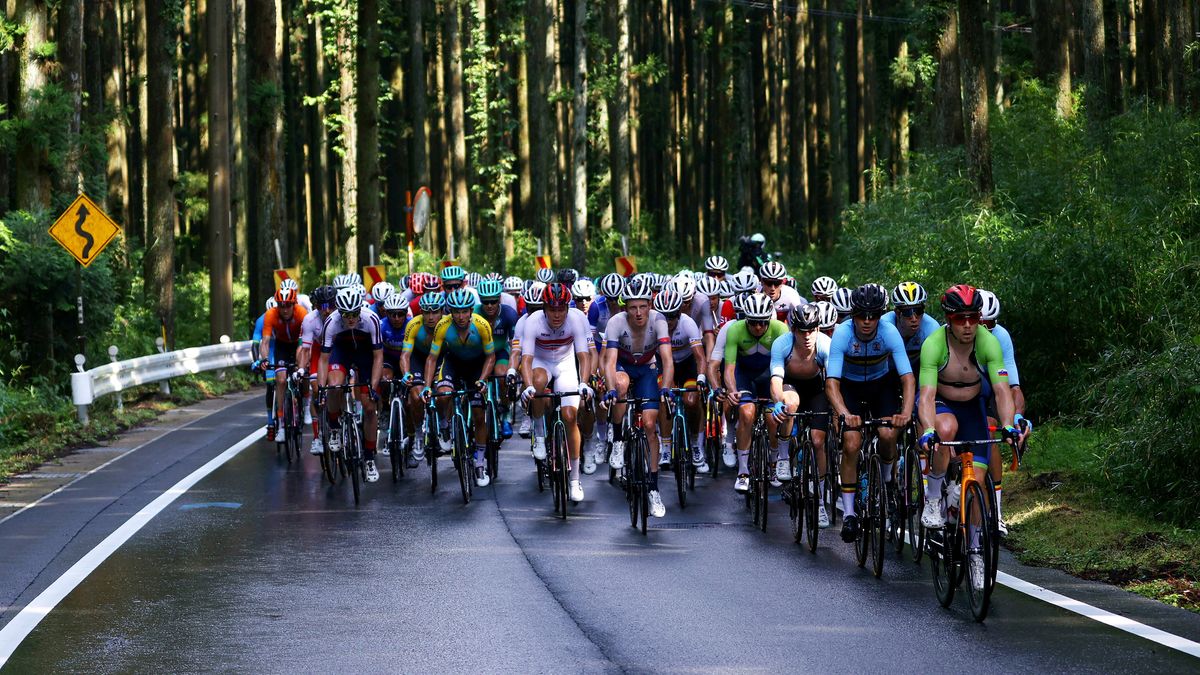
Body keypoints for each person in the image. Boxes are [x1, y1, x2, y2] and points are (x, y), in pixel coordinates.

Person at [917, 284, 1018, 591]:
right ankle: (934, 498)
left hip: (973, 408)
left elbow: (1002, 390)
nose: (968, 325)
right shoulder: (934, 345)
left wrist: (1008, 425)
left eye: (973, 318)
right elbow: (926, 395)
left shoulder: (987, 342)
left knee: (980, 482)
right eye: (960, 319)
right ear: (948, 319)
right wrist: (928, 430)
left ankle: (975, 551)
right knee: (944, 432)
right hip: (943, 406)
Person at [825, 284, 915, 544]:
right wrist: (843, 413)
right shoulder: (842, 334)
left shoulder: (889, 333)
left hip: (881, 386)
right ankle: (851, 513)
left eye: (873, 315)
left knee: (888, 434)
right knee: (852, 442)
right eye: (861, 315)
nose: (867, 321)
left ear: (880, 315)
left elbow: (907, 378)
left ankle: (887, 481)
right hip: (850, 387)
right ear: (853, 315)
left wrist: (906, 412)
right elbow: (832, 383)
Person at [602, 277, 675, 518]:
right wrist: (611, 389)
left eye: (643, 306)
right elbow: (609, 361)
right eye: (633, 307)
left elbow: (666, 359)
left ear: (650, 304)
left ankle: (653, 488)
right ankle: (619, 440)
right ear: (626, 308)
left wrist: (665, 387)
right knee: (621, 386)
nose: (639, 312)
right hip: (623, 366)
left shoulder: (659, 321)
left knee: (650, 425)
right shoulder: (615, 322)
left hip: (646, 368)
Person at [518, 283, 595, 501]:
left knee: (570, 416)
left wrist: (584, 382)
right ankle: (540, 434)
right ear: (544, 308)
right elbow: (527, 359)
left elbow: (584, 356)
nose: (557, 314)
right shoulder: (533, 321)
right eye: (552, 309)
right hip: (542, 363)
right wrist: (528, 386)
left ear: (567, 308)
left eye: (561, 309)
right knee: (539, 382)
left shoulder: (577, 319)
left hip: (566, 365)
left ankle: (575, 479)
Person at [423, 288, 497, 487]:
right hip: (453, 363)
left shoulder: (482, 325)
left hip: (476, 366)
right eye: (456, 311)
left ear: (471, 310)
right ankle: (445, 427)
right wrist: (426, 386)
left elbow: (490, 357)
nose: (461, 316)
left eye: (465, 311)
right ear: (451, 311)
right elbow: (432, 358)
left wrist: (482, 379)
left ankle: (480, 462)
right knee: (443, 395)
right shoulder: (443, 325)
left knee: (480, 415)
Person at [769, 303, 833, 527]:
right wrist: (778, 402)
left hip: (816, 391)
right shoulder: (782, 345)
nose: (806, 336)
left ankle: (821, 502)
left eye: (811, 330)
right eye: (801, 330)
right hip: (791, 387)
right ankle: (784, 456)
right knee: (790, 403)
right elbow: (776, 379)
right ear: (793, 330)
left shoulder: (825, 344)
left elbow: (833, 381)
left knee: (818, 440)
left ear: (818, 329)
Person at [722, 293, 788, 493]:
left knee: (772, 418)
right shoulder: (735, 329)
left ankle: (774, 463)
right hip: (745, 376)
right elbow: (729, 368)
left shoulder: (780, 329)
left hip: (770, 376)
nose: (758, 327)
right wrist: (732, 391)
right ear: (745, 319)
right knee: (747, 413)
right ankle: (743, 472)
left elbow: (785, 366)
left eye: (762, 322)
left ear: (770, 319)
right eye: (753, 322)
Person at [318, 286, 385, 483]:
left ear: (359, 310)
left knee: (370, 408)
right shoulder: (331, 323)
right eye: (346, 314)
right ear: (339, 311)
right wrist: (322, 389)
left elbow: (378, 357)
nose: (350, 319)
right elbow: (323, 360)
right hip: (342, 351)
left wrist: (373, 388)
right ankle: (335, 427)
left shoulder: (371, 319)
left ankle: (370, 457)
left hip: (365, 354)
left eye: (354, 314)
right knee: (335, 386)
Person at [655, 289, 709, 474]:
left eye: (672, 316)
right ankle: (665, 447)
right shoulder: (654, 324)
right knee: (664, 398)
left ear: (679, 313)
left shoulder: (688, 324)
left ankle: (695, 443)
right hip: (664, 364)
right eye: (665, 316)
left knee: (691, 401)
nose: (668, 321)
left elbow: (700, 357)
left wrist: (701, 377)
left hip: (687, 365)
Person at [257, 287, 309, 443]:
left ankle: (306, 405)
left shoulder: (301, 313)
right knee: (280, 381)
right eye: (281, 305)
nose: (285, 309)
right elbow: (265, 342)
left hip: (298, 343)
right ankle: (281, 426)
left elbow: (304, 343)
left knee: (302, 372)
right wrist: (264, 359)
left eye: (288, 305)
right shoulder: (271, 315)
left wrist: (301, 366)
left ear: (294, 304)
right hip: (282, 346)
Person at [399, 292, 446, 465]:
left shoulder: (448, 323)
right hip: (418, 359)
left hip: (441, 358)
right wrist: (406, 374)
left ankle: (444, 425)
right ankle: (418, 434)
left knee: (444, 393)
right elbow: (405, 355)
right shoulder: (414, 325)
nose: (431, 316)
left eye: (435, 312)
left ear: (442, 311)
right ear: (421, 312)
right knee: (416, 397)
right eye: (426, 312)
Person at [476, 278, 519, 439]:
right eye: (485, 302)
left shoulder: (509, 313)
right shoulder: (474, 313)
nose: (489, 305)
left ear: (499, 299)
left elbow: (515, 343)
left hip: (500, 351)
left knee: (502, 375)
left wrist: (515, 366)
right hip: (479, 354)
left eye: (493, 301)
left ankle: (505, 412)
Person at [298, 285, 336, 455]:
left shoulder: (340, 316)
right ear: (315, 306)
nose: (326, 310)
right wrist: (300, 369)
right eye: (322, 306)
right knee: (316, 391)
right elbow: (305, 350)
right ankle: (317, 437)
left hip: (338, 351)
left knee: (338, 388)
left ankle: (340, 422)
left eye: (330, 305)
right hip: (318, 353)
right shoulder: (309, 320)